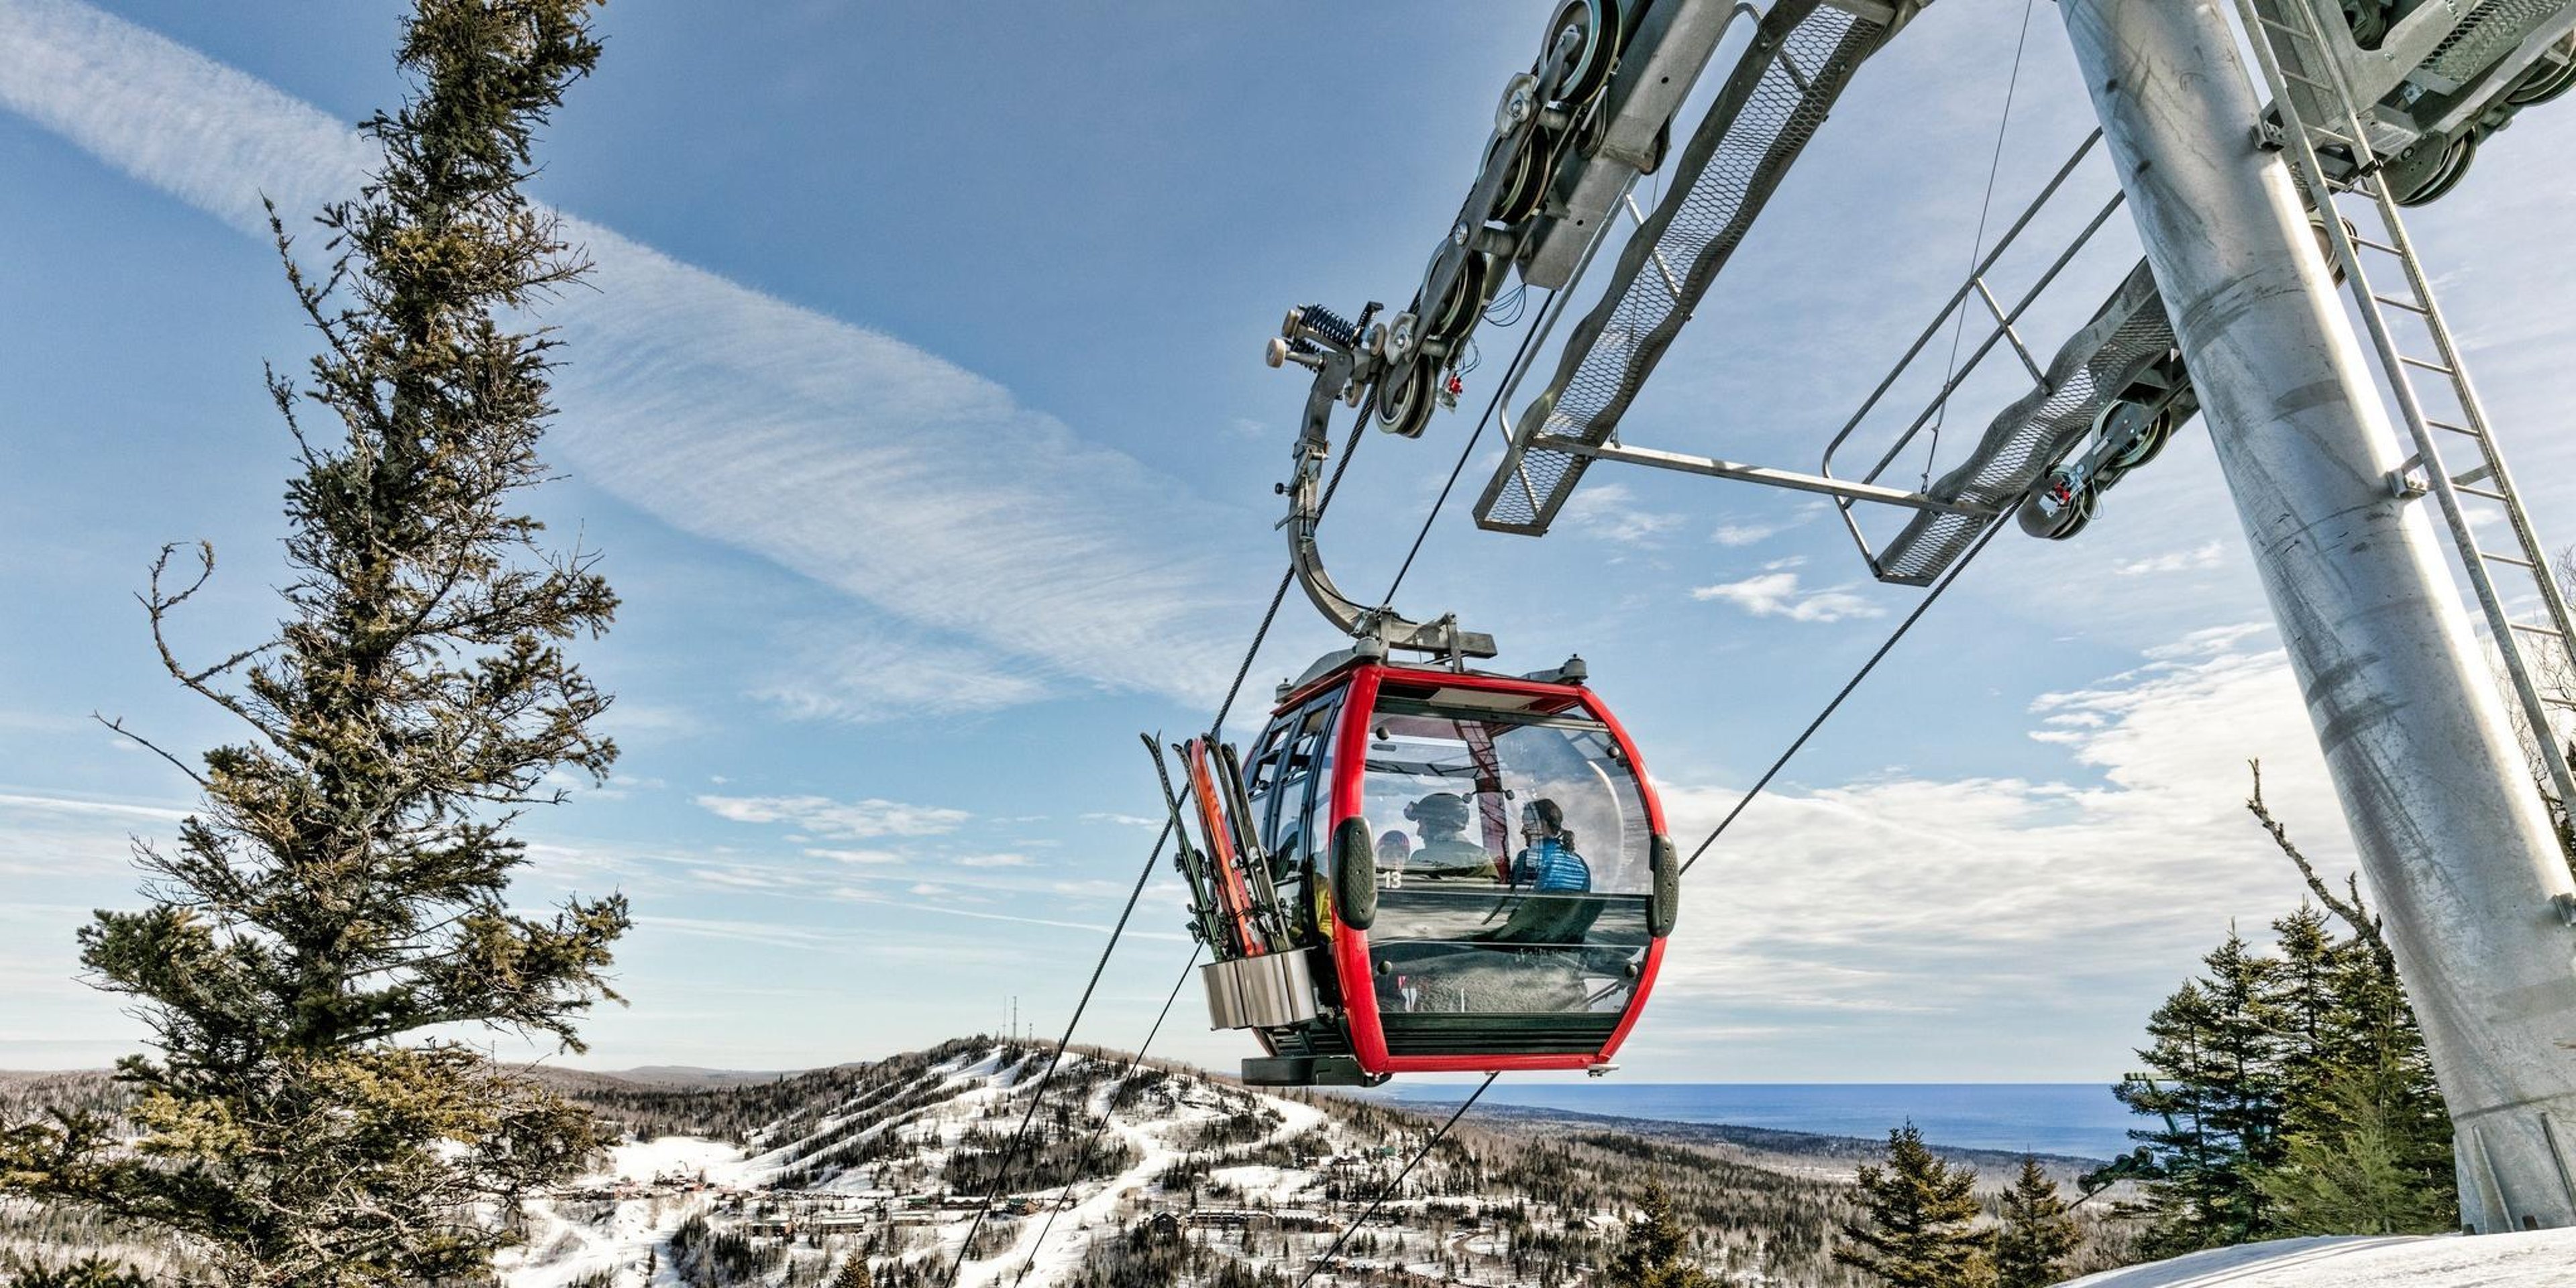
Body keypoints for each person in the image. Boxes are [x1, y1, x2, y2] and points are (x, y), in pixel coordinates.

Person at [1401, 792, 1493, 878]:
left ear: (1436, 825)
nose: (1419, 832)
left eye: (1422, 825)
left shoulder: (1422, 858)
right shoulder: (1481, 857)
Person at [1509, 798, 1590, 892]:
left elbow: (1516, 900)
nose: (1522, 831)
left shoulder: (1527, 858)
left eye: (1527, 824)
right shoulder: (1580, 863)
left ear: (1542, 824)